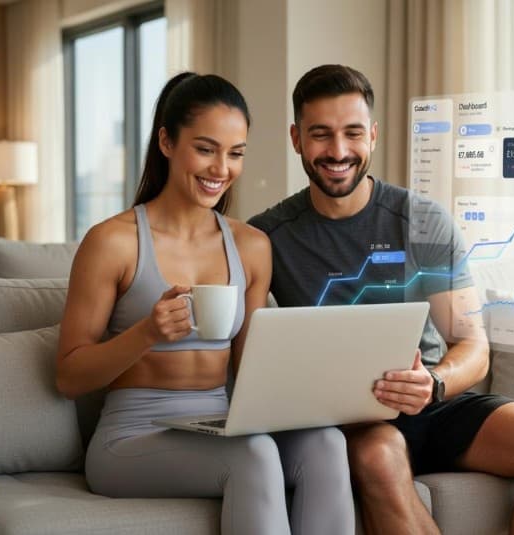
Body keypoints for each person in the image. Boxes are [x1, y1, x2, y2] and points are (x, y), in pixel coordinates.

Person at [248, 64, 514, 535]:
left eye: (353, 133)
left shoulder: (421, 220)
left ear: (374, 136)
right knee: (378, 456)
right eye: (320, 134)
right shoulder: (268, 236)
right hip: (353, 421)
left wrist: (436, 383)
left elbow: (472, 344)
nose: (338, 151)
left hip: (434, 402)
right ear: (296, 138)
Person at [56, 72, 354, 535]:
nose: (222, 169)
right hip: (132, 436)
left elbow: (255, 369)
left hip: (220, 424)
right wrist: (147, 333)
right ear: (167, 142)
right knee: (252, 454)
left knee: (327, 444)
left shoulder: (251, 246)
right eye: (206, 148)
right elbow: (70, 377)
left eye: (235, 153)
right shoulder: (113, 242)